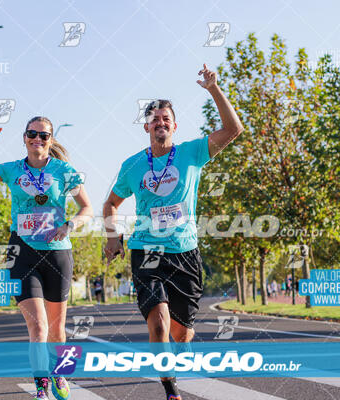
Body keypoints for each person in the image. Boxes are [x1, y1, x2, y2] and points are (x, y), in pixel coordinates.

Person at [103, 64, 243, 400]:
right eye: (154, 120)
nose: (160, 124)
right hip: (146, 249)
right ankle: (170, 390)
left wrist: (213, 89)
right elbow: (110, 203)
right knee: (159, 323)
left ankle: (173, 363)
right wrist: (112, 237)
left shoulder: (193, 152)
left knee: (181, 334)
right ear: (146, 127)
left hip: (185, 252)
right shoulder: (132, 165)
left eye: (166, 120)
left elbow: (233, 129)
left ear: (174, 126)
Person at [0, 116, 93, 400]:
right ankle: (41, 388)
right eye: (32, 134)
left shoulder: (64, 171)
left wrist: (69, 225)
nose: (38, 139)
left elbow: (87, 209)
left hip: (58, 253)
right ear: (24, 138)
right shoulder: (12, 170)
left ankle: (61, 373)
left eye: (44, 135)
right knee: (38, 326)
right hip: (21, 252)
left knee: (57, 330)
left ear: (51, 141)